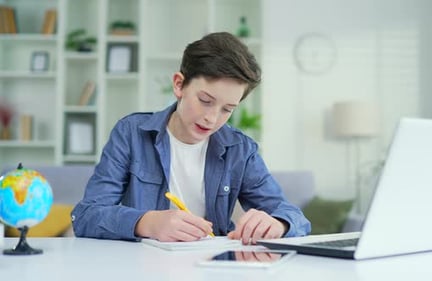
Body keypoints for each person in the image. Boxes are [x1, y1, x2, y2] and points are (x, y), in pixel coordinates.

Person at [71, 32, 311, 244]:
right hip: (143, 266)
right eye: (205, 101)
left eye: (227, 109)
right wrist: (148, 222)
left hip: (213, 268)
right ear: (179, 85)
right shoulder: (131, 133)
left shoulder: (240, 149)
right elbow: (85, 216)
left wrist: (279, 224)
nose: (212, 118)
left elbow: (294, 218)